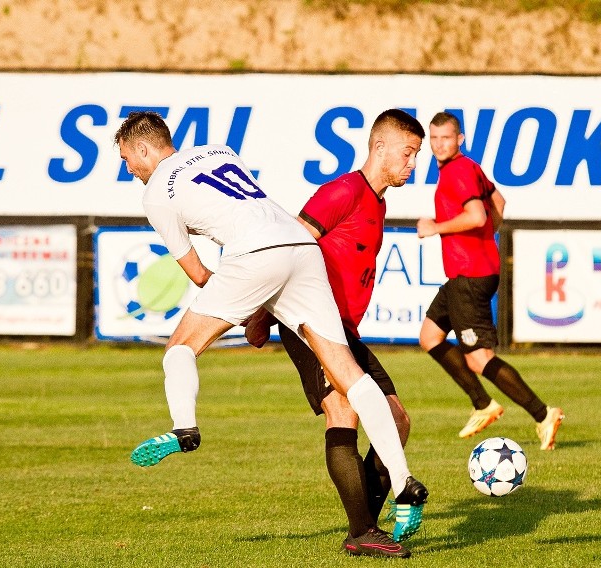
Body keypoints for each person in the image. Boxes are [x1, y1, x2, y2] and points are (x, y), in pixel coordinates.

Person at [113, 110, 428, 554]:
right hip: (300, 247)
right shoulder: (217, 150)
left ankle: (184, 428)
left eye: (128, 159)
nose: (130, 170)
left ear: (144, 148)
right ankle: (403, 482)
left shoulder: (155, 195)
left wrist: (241, 304)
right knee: (349, 375)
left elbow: (198, 271)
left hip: (256, 255)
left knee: (180, 348)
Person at [245, 109, 426, 557]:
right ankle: (363, 529)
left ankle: (369, 521)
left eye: (416, 155)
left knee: (396, 419)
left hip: (343, 330)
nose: (412, 164)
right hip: (308, 323)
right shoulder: (342, 191)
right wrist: (259, 314)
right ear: (379, 147)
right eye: (407, 153)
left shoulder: (378, 201)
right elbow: (288, 247)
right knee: (343, 409)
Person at [416, 111, 565, 450]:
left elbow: (478, 214)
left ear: (460, 139)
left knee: (478, 358)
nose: (440, 144)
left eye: (446, 138)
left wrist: (435, 228)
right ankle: (483, 404)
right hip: (466, 273)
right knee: (430, 335)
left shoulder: (457, 172)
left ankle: (543, 414)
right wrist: (485, 237)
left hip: (470, 275)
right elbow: (499, 202)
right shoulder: (469, 167)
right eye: (434, 138)